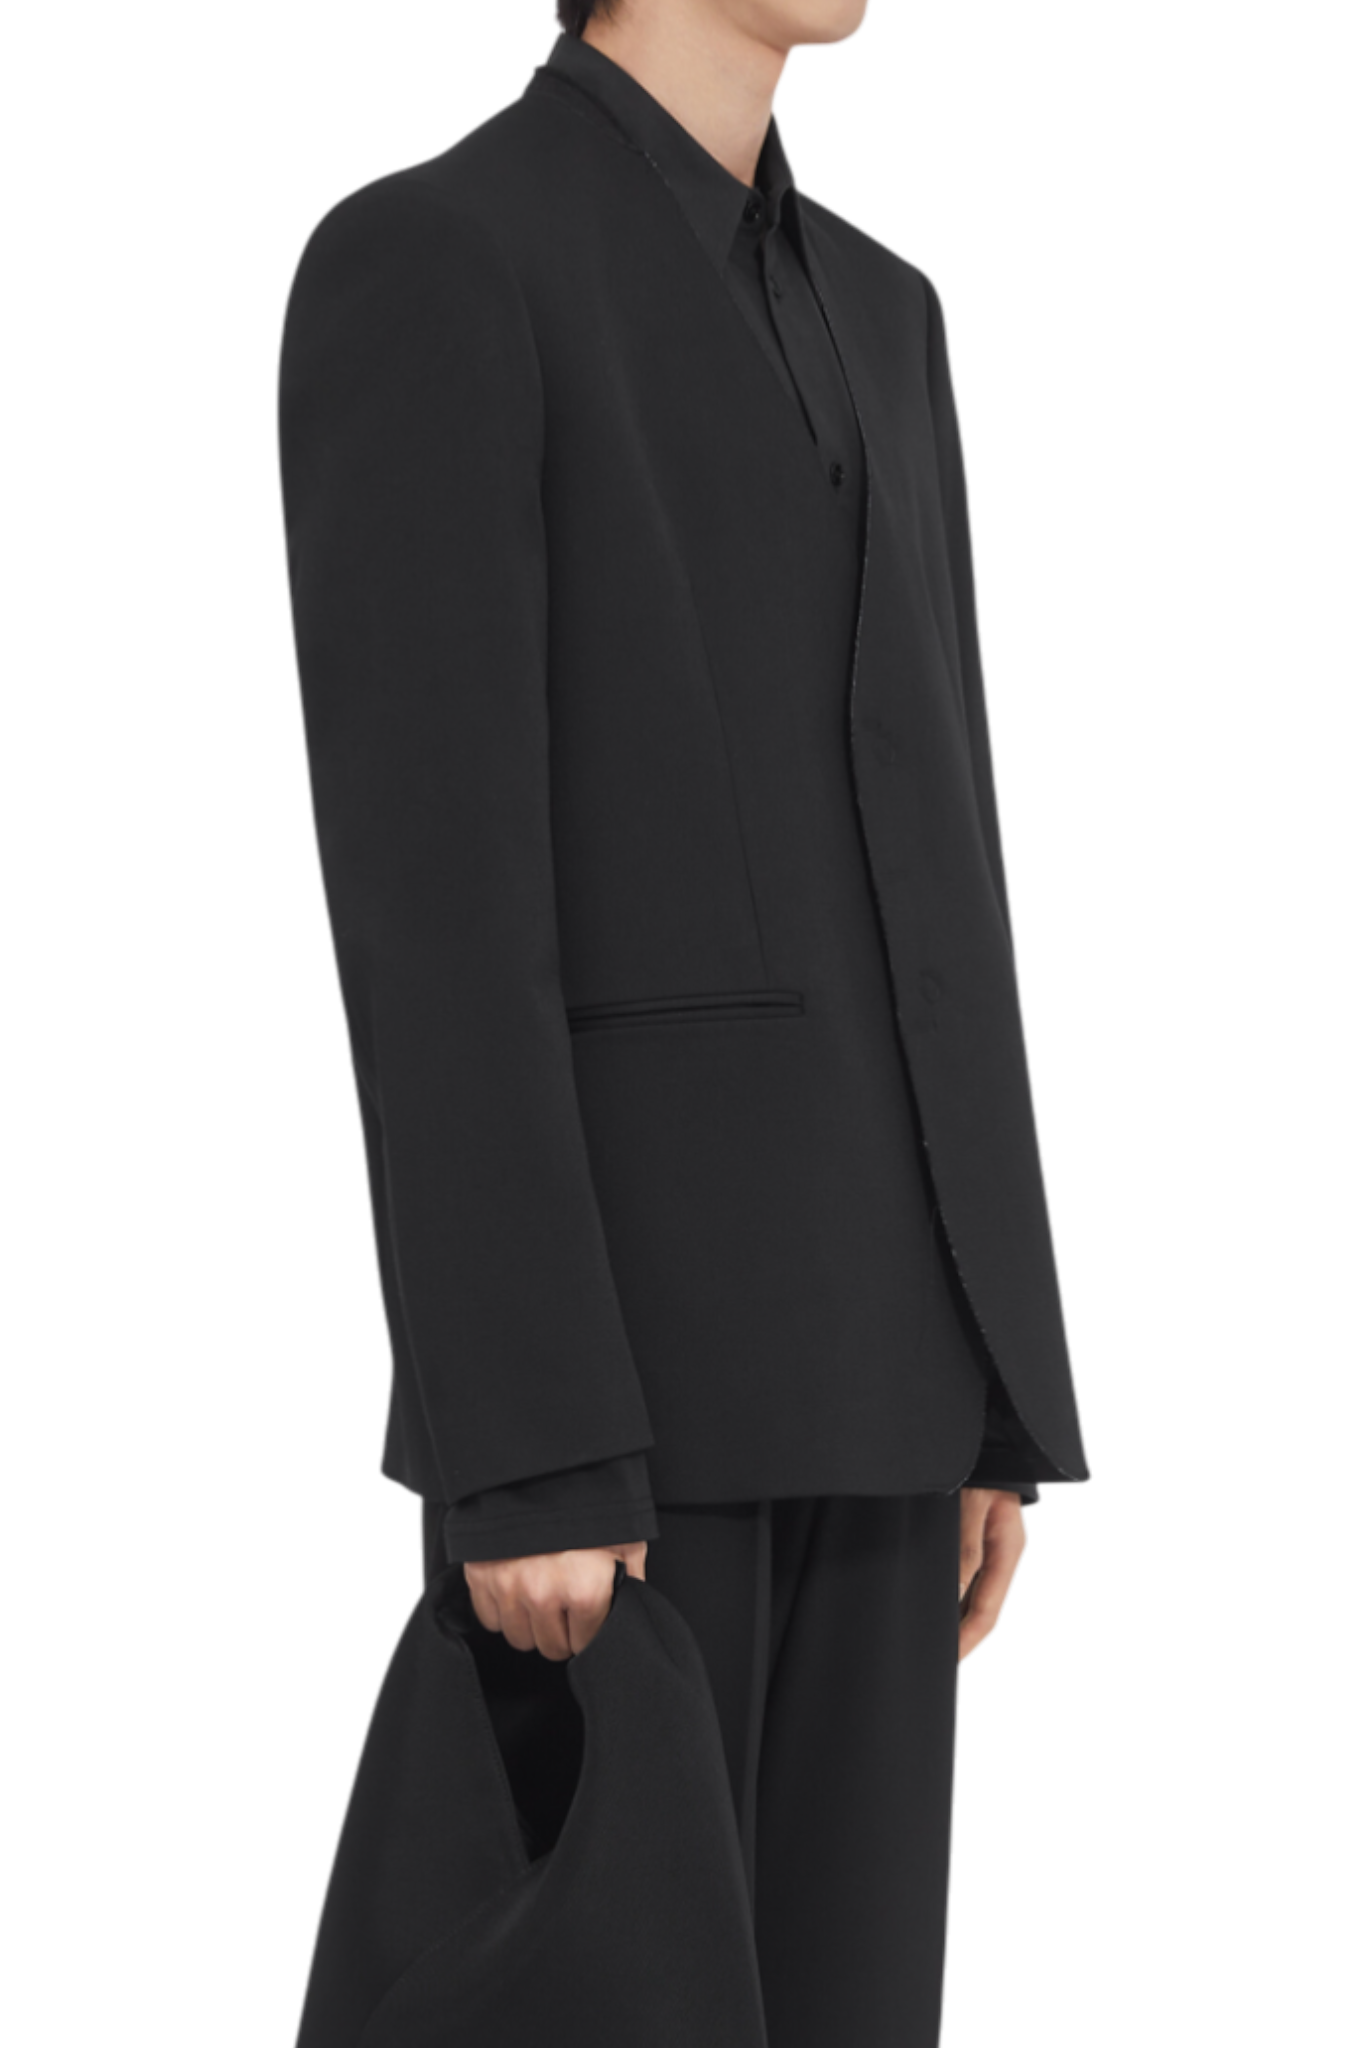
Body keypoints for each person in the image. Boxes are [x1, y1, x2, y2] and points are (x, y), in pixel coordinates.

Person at [279, 2, 1088, 2039]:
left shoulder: (884, 311)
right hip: (629, 1400)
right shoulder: (436, 255)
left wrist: (992, 1382)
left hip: (886, 1378)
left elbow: (941, 847)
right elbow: (434, 906)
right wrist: (527, 1442)